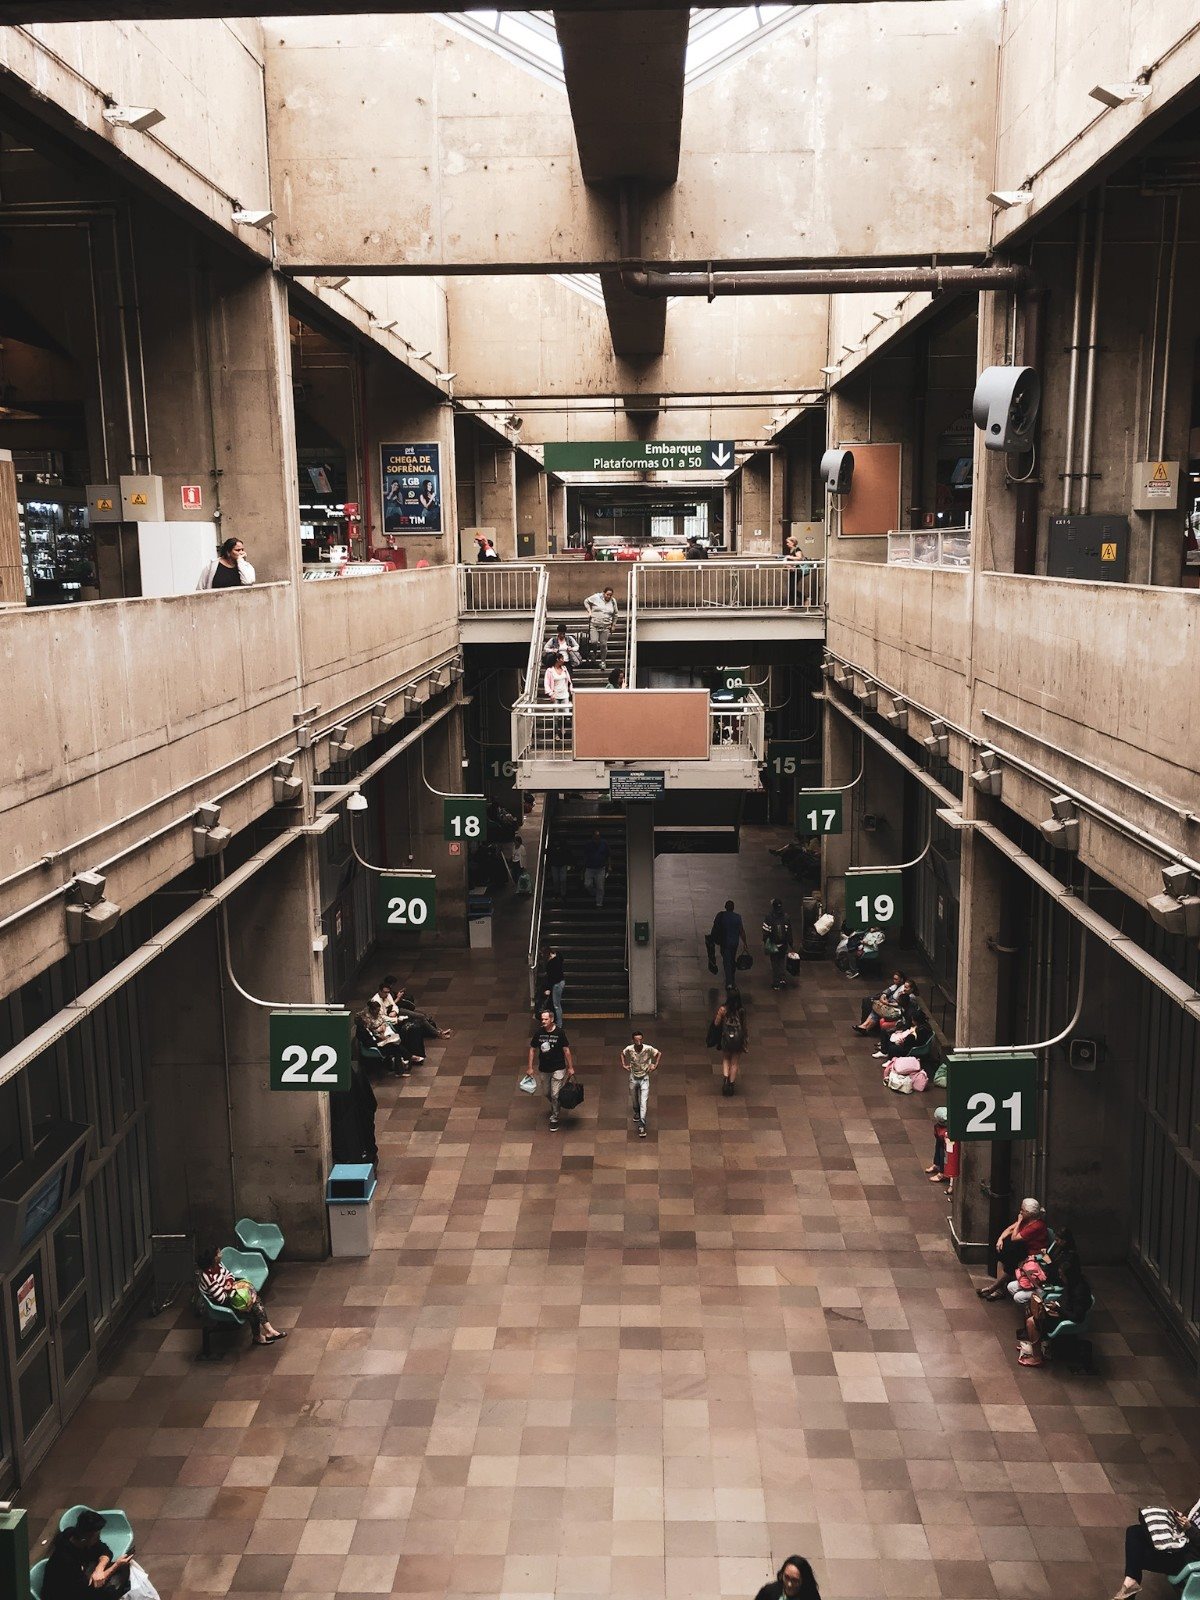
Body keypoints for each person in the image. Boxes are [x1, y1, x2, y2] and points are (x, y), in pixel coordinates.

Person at [1017, 1227, 1091, 1366]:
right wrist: (1055, 1306)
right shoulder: (1072, 1284)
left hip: (1064, 1316)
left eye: (1062, 1275)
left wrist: (1058, 1309)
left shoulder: (1079, 1291)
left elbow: (1077, 1316)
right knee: (1030, 1309)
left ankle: (1037, 1357)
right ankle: (1033, 1344)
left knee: (1032, 1322)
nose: (1061, 1277)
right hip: (1061, 1310)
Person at [196, 1243, 286, 1345]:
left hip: (229, 1294)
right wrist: (230, 1289)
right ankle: (264, 1334)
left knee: (254, 1299)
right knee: (252, 1308)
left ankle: (268, 1331)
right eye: (218, 1253)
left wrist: (228, 1285)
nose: (221, 1255)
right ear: (213, 1258)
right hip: (223, 1303)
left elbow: (229, 1275)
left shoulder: (218, 1265)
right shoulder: (208, 1277)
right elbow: (220, 1299)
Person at [1112, 1496, 1200, 1598]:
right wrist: (1180, 1518)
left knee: (1137, 1557)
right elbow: (1188, 1517)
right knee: (1134, 1532)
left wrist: (1189, 1528)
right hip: (1178, 1541)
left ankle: (1129, 1586)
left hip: (1187, 1558)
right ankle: (1130, 1584)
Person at [43, 1509, 135, 1599]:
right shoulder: (66, 1561)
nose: (98, 1538)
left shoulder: (75, 1536)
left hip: (81, 1584)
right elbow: (89, 1589)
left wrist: (100, 1568)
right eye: (97, 1537)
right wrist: (115, 1566)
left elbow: (104, 1550)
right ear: (84, 1539)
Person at [977, 1197, 1049, 1299]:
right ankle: (998, 1289)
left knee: (1011, 1259)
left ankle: (993, 1288)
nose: (1020, 1212)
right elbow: (1010, 1229)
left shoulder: (1036, 1226)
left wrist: (1019, 1221)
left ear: (1029, 1213)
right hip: (1024, 1249)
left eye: (1023, 1210)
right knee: (1002, 1253)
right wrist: (1000, 1239)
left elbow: (1014, 1237)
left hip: (1035, 1254)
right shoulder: (1027, 1220)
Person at [528, 1007, 575, 1130]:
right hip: (544, 1068)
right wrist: (530, 1067)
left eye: (546, 1019)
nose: (543, 1021)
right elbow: (532, 1049)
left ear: (552, 1019)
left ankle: (554, 1117)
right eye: (542, 1019)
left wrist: (570, 1067)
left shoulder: (559, 1033)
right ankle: (556, 1104)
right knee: (546, 1092)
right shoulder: (539, 1033)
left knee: (555, 1093)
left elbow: (566, 1050)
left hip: (558, 1067)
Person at [621, 1028, 660, 1139]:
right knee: (634, 1099)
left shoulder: (648, 1048)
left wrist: (655, 1065)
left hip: (644, 1078)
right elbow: (622, 1054)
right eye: (636, 1040)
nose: (639, 1042)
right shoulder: (629, 1049)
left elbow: (658, 1054)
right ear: (633, 1040)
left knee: (644, 1101)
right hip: (633, 1077)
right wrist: (624, 1064)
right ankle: (636, 1112)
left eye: (640, 1040)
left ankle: (642, 1124)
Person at [711, 985, 748, 1095]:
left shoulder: (723, 1009)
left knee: (726, 1058)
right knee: (735, 1062)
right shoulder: (741, 1011)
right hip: (738, 1040)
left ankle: (726, 1079)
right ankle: (731, 1085)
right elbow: (744, 1027)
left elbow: (716, 1023)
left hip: (726, 1038)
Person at [358, 998, 409, 1074]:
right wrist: (379, 1039)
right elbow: (367, 1043)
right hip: (375, 1045)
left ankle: (401, 1066)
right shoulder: (362, 1031)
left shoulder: (366, 1028)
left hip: (378, 1041)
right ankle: (405, 1062)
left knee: (395, 1045)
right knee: (396, 1048)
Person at [709, 899, 749, 989]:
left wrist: (712, 938)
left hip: (725, 942)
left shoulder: (721, 916)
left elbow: (715, 928)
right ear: (733, 908)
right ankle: (732, 978)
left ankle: (729, 982)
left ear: (725, 907)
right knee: (731, 960)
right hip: (734, 943)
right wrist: (745, 942)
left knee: (727, 962)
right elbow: (741, 931)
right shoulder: (737, 917)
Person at [754, 1554, 822, 1600]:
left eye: (795, 1580)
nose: (789, 1584)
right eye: (786, 1577)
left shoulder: (812, 1597)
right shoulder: (768, 1592)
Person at [762, 897, 793, 990]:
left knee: (774, 963)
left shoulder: (768, 917)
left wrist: (766, 941)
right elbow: (789, 932)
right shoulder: (786, 917)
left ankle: (776, 983)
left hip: (773, 943)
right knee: (782, 961)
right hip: (783, 944)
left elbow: (765, 932)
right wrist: (791, 944)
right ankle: (782, 980)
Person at [584, 584, 618, 665]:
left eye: (610, 595)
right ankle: (594, 653)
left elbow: (615, 614)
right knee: (594, 642)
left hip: (606, 626)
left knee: (603, 644)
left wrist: (613, 625)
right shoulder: (596, 597)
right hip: (594, 624)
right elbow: (586, 601)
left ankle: (603, 661)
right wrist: (589, 611)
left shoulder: (613, 601)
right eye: (607, 594)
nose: (609, 596)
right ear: (603, 593)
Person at [582, 829, 609, 908]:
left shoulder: (604, 843)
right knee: (587, 884)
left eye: (598, 837)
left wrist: (609, 865)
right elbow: (585, 856)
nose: (597, 839)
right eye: (595, 837)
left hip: (600, 868)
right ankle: (594, 892)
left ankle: (599, 903)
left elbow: (608, 854)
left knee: (600, 886)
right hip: (590, 868)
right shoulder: (588, 844)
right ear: (593, 837)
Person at [543, 942, 565, 1027]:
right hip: (562, 981)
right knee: (557, 1004)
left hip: (556, 984)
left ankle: (559, 1024)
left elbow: (551, 978)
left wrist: (548, 988)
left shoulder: (550, 964)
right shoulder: (558, 956)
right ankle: (558, 1023)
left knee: (556, 1005)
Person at [926, 1105, 949, 1182]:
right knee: (938, 1150)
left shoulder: (945, 1131)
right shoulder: (938, 1127)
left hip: (946, 1145)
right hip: (940, 1141)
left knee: (943, 1156)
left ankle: (942, 1173)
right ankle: (937, 1164)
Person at [547, 832, 571, 897]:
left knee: (562, 880)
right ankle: (558, 892)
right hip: (555, 864)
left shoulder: (562, 846)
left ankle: (561, 893)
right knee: (556, 880)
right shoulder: (552, 847)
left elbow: (567, 854)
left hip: (561, 864)